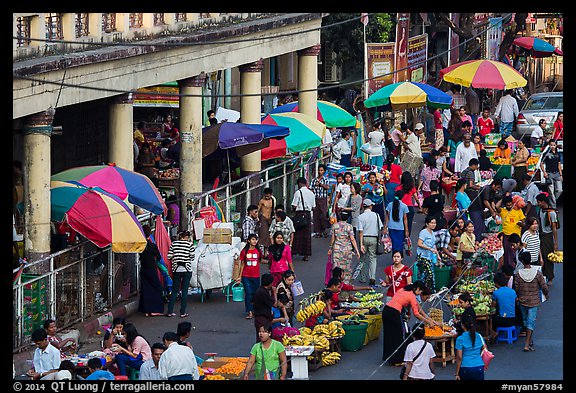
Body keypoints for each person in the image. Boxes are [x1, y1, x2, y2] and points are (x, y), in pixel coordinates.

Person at [382, 281, 440, 366]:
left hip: (386, 310)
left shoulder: (404, 289)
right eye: (420, 291)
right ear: (417, 289)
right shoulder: (411, 296)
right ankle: (397, 360)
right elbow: (416, 313)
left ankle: (389, 357)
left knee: (389, 335)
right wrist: (428, 322)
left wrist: (431, 321)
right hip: (394, 313)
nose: (420, 293)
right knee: (398, 336)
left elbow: (419, 309)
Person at [513, 251, 549, 352]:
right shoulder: (537, 273)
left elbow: (516, 288)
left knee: (526, 321)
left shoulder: (518, 274)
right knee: (531, 322)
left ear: (522, 262)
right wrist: (546, 295)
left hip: (523, 301)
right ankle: (527, 343)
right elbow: (544, 287)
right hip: (534, 301)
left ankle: (529, 341)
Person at [166, 230, 195, 318]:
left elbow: (169, 256)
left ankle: (169, 311)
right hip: (187, 270)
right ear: (186, 237)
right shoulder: (190, 245)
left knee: (175, 290)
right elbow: (192, 257)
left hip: (176, 270)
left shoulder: (173, 244)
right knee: (184, 291)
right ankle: (182, 312)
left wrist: (176, 257)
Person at [138, 224, 165, 317]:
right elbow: (158, 257)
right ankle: (155, 310)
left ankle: (146, 310)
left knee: (146, 289)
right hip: (151, 269)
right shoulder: (152, 246)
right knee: (157, 288)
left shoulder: (140, 246)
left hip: (144, 269)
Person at [328, 210, 360, 285]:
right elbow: (352, 239)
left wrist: (330, 248)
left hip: (337, 249)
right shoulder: (349, 226)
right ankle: (346, 283)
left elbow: (333, 239)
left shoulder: (335, 226)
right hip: (347, 249)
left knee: (337, 266)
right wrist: (357, 250)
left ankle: (336, 283)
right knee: (347, 266)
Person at [357, 198, 384, 286]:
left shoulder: (360, 217)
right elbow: (380, 227)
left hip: (364, 238)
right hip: (374, 238)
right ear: (370, 206)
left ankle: (363, 278)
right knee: (373, 258)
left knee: (363, 259)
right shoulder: (376, 215)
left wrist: (360, 244)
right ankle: (372, 277)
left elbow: (360, 231)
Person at [236, 233, 262, 319]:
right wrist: (239, 276)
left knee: (255, 294)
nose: (254, 241)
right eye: (253, 239)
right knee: (248, 293)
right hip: (246, 276)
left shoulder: (258, 251)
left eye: (255, 239)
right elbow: (242, 265)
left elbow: (260, 260)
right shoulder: (244, 251)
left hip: (256, 276)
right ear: (248, 241)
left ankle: (255, 309)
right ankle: (250, 311)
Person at [454, 315, 488, 380]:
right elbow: (485, 349)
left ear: (462, 325)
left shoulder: (460, 339)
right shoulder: (479, 336)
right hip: (479, 366)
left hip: (465, 367)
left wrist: (457, 373)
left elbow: (459, 357)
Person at [496, 195, 525, 271]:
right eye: (507, 205)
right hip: (506, 236)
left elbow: (524, 221)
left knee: (514, 254)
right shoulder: (503, 211)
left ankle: (515, 269)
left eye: (510, 204)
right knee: (507, 253)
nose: (509, 206)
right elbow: (496, 207)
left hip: (516, 237)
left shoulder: (518, 210)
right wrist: (503, 198)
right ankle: (507, 270)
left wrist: (521, 223)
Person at [488, 272, 518, 343]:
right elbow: (516, 300)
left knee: (491, 318)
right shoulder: (512, 291)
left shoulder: (496, 293)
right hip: (513, 320)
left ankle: (493, 333)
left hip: (502, 320)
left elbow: (493, 307)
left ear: (496, 283)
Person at [536, 193, 559, 285]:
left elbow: (554, 228)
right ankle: (542, 275)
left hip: (547, 236)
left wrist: (556, 242)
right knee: (540, 256)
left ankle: (550, 277)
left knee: (548, 256)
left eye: (538, 202)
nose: (537, 203)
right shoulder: (541, 210)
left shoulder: (551, 213)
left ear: (543, 202)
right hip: (540, 235)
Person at [291, 177, 316, 261]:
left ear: (299, 184)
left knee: (296, 234)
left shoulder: (298, 193)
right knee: (306, 235)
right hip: (307, 214)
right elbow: (313, 207)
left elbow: (294, 205)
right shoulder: (311, 193)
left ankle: (294, 252)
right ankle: (306, 255)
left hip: (299, 214)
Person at [252, 273, 281, 343]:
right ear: (269, 283)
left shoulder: (260, 290)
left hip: (260, 317)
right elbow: (275, 304)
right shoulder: (263, 292)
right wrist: (274, 293)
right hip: (262, 318)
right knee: (264, 338)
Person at [416, 216, 440, 291]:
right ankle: (422, 289)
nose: (433, 224)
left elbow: (434, 245)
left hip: (430, 256)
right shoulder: (424, 232)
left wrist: (438, 255)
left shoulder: (432, 233)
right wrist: (429, 248)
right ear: (427, 224)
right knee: (428, 274)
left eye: (434, 223)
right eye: (432, 223)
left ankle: (428, 290)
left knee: (430, 274)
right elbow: (419, 243)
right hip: (423, 256)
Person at [395, 171, 421, 236]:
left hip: (400, 207)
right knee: (409, 224)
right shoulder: (412, 187)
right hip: (409, 207)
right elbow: (416, 198)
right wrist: (419, 205)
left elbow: (396, 198)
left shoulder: (398, 187)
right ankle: (407, 238)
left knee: (400, 223)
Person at [384, 189, 410, 255]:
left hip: (391, 227)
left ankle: (394, 256)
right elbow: (405, 219)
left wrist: (385, 227)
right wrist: (406, 230)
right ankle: (399, 257)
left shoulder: (390, 205)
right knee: (399, 244)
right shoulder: (404, 206)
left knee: (393, 244)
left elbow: (387, 217)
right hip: (400, 228)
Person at [539, 140, 563, 208]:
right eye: (551, 145)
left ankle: (553, 201)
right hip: (549, 174)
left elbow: (559, 164)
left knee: (559, 190)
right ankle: (553, 207)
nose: (552, 146)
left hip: (557, 174)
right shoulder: (546, 154)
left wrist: (561, 175)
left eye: (554, 145)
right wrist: (544, 172)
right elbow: (541, 164)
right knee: (551, 191)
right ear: (549, 145)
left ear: (556, 146)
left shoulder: (558, 154)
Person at [310, 164, 331, 238]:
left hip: (323, 199)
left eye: (321, 170)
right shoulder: (314, 180)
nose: (320, 171)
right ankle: (318, 232)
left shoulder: (326, 180)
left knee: (323, 215)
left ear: (324, 171)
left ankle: (324, 230)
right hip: (316, 199)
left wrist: (321, 184)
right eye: (319, 170)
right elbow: (311, 189)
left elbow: (328, 187)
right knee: (316, 215)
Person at [257, 188, 275, 252]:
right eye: (266, 196)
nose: (267, 197)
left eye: (268, 196)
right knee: (263, 235)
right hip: (263, 218)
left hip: (270, 219)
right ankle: (259, 252)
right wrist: (257, 218)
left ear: (271, 195)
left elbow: (273, 209)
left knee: (268, 236)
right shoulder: (262, 201)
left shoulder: (272, 200)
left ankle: (265, 252)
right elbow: (258, 210)